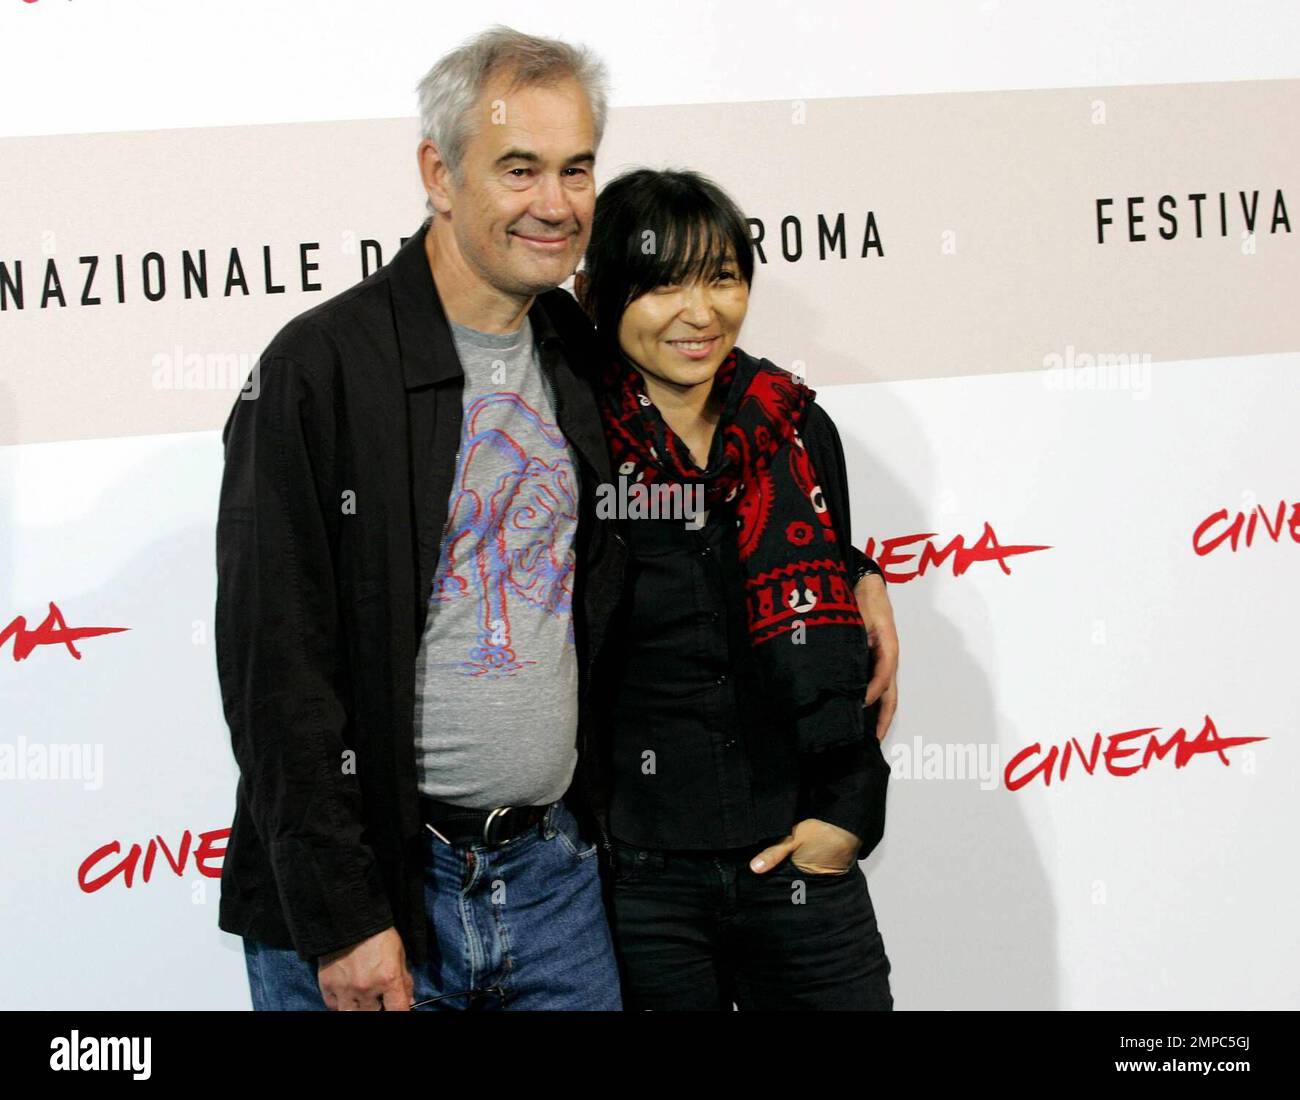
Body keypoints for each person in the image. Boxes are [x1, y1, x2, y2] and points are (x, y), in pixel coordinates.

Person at [215, 26, 629, 1011]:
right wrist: (345, 915)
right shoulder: (316, 371)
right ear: (438, 174)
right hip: (381, 904)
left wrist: (846, 565)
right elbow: (278, 675)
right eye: (518, 168)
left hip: (553, 890)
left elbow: (705, 472)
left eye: (577, 169)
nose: (556, 203)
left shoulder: (579, 352)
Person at [574, 167, 901, 1010]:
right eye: (663, 283)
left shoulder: (794, 427)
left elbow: (836, 610)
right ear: (604, 293)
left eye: (721, 276)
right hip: (639, 887)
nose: (701, 310)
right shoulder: (570, 444)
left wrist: (846, 820)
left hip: (802, 863)